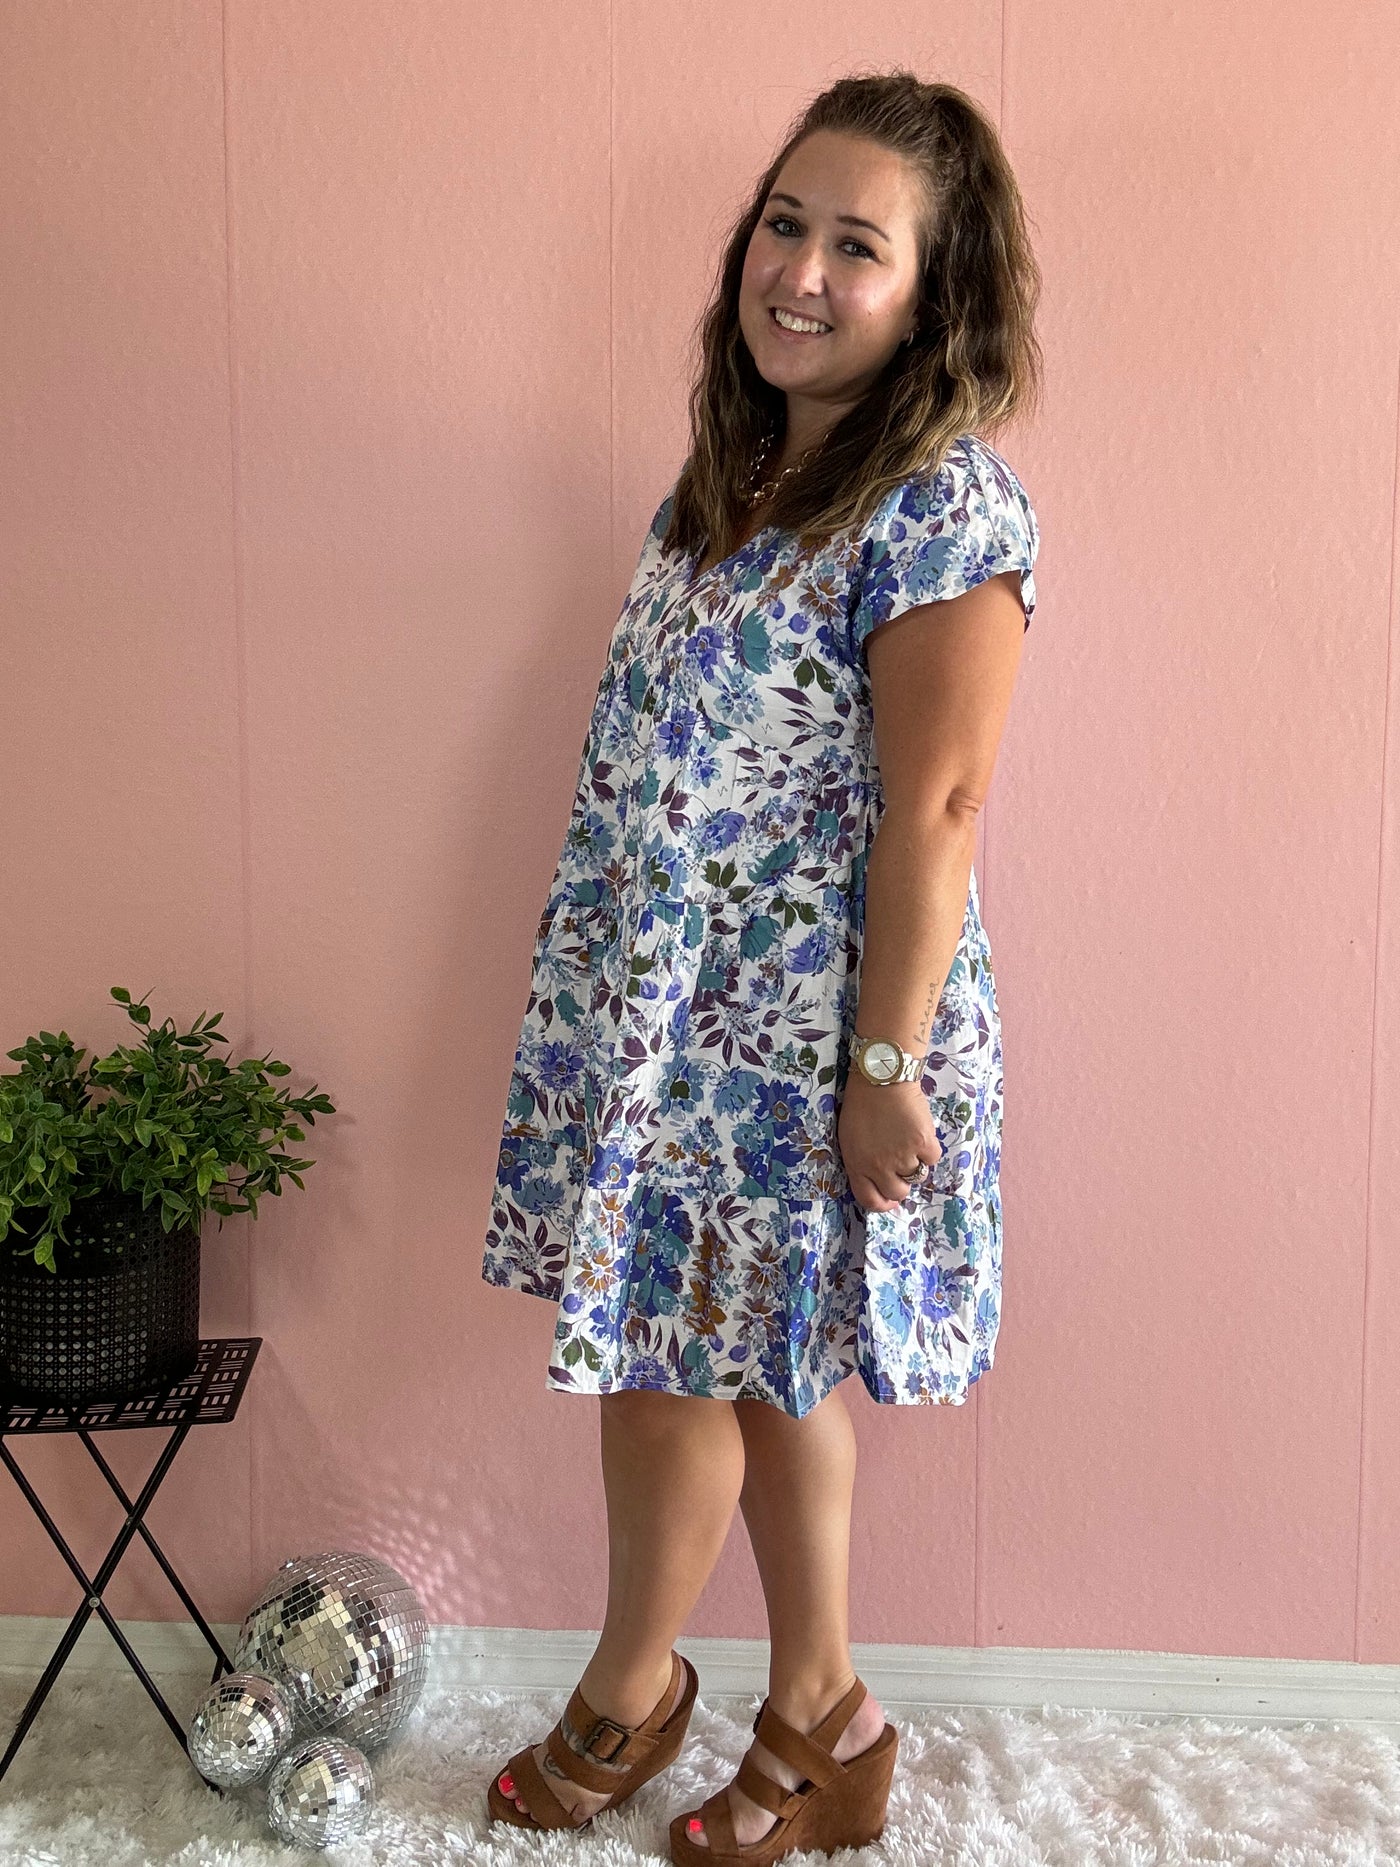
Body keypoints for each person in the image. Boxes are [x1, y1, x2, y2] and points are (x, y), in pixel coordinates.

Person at [480, 67, 1042, 1865]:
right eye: (786, 223)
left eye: (857, 245)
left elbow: (938, 813)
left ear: (934, 295)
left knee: (721, 1367)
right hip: (666, 1029)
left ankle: (723, 1696)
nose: (800, 270)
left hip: (800, 1042)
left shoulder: (943, 513)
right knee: (713, 1366)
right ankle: (749, 1700)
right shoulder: (738, 474)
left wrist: (884, 1075)